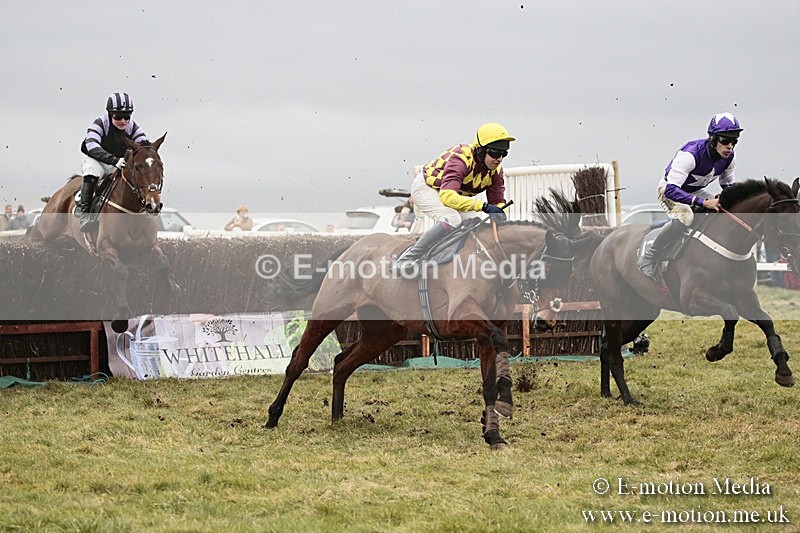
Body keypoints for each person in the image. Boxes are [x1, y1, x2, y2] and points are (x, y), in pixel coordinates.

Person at [394, 122, 513, 275]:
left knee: (475, 224)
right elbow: (448, 197)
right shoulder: (461, 159)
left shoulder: (496, 171)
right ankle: (407, 258)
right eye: (495, 153)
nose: (499, 159)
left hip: (451, 194)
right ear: (481, 151)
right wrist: (483, 207)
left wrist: (501, 215)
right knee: (452, 219)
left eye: (504, 154)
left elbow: (497, 201)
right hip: (427, 188)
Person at [638, 112, 743, 280]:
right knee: (686, 217)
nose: (730, 146)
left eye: (734, 140)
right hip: (669, 191)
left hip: (695, 191)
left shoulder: (730, 158)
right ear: (713, 138)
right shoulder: (690, 154)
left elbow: (728, 186)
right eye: (725, 140)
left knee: (720, 210)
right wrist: (702, 202)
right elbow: (671, 190)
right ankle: (649, 256)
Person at [77, 92, 148, 232]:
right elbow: (91, 145)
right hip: (97, 159)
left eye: (127, 116)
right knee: (93, 172)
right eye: (118, 116)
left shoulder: (133, 127)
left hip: (118, 162)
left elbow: (143, 147)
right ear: (110, 114)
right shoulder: (100, 124)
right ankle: (85, 214)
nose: (123, 121)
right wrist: (113, 160)